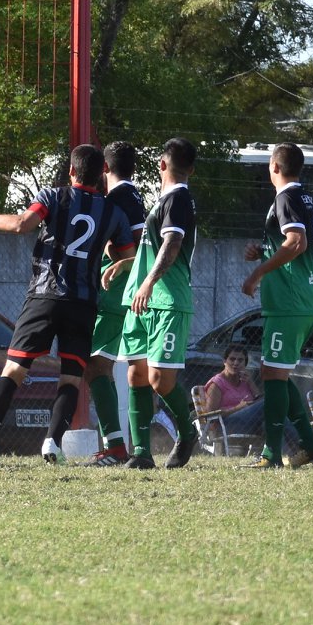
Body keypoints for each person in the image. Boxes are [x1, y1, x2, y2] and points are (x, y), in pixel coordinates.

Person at [0, 143, 136, 466]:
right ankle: (52, 444)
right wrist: (108, 251)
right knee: (71, 378)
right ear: (102, 175)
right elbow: (128, 256)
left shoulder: (54, 196)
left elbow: (21, 224)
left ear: (71, 171)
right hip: (83, 304)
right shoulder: (114, 213)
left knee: (14, 369)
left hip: (44, 296)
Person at [239, 142, 313, 469]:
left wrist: (258, 273)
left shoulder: (285, 198)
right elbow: (291, 243)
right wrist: (263, 251)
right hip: (298, 297)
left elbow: (296, 242)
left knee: (274, 374)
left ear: (274, 167)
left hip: (290, 299)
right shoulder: (303, 197)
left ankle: (271, 454)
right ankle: (310, 445)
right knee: (273, 372)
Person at [116, 138, 201, 469]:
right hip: (141, 299)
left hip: (166, 300)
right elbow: (153, 248)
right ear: (191, 168)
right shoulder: (164, 201)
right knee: (136, 374)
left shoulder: (178, 198)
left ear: (162, 165)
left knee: (159, 380)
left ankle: (187, 432)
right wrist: (127, 266)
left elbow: (173, 243)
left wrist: (149, 282)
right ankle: (141, 453)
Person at [85, 141, 148, 465]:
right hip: (129, 292)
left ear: (105, 169)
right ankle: (125, 445)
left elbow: (134, 248)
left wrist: (114, 254)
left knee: (96, 365)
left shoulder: (117, 199)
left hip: (115, 292)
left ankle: (116, 447)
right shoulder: (135, 196)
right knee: (117, 368)